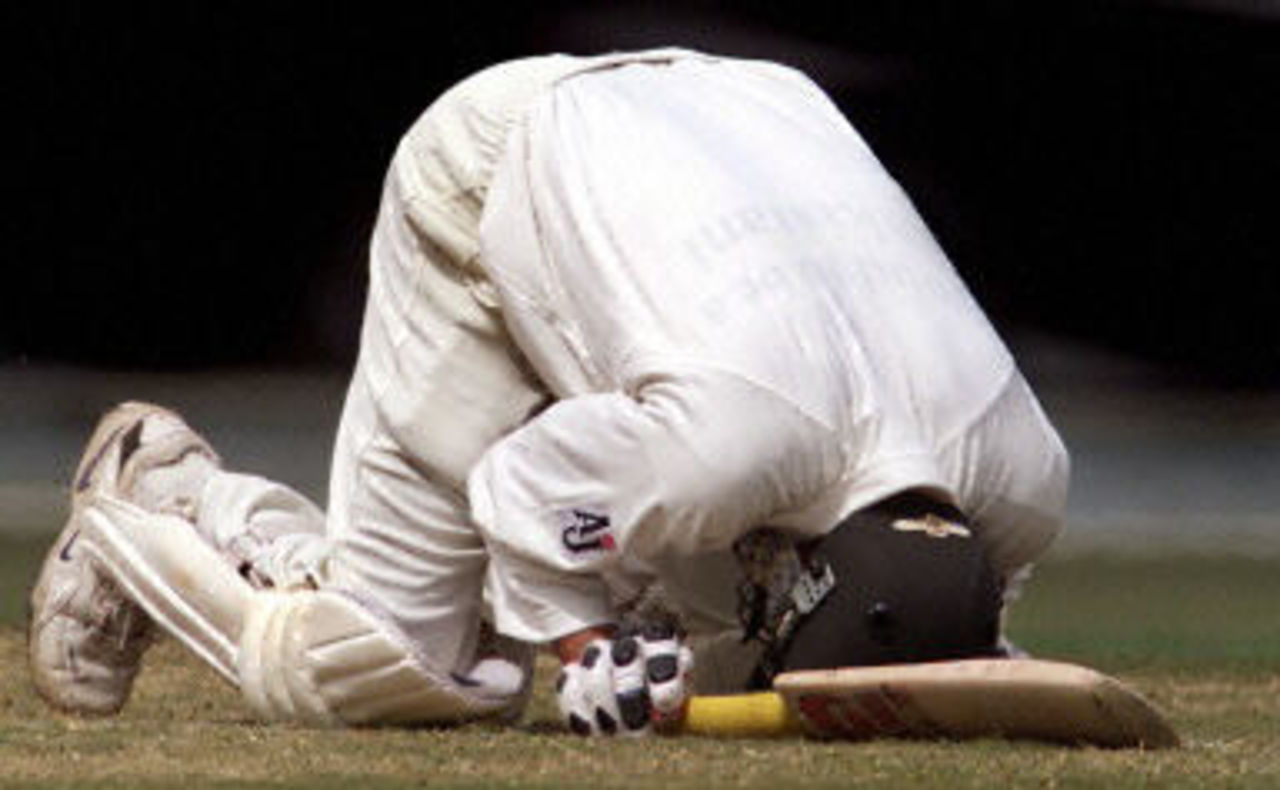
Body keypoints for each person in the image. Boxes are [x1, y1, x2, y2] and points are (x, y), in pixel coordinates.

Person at [29, 49, 1069, 737]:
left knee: (689, 587)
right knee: (382, 668)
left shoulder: (1022, 485)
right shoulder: (723, 451)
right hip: (491, 164)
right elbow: (525, 489)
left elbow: (944, 618)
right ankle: (159, 492)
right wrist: (585, 652)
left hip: (742, 114)